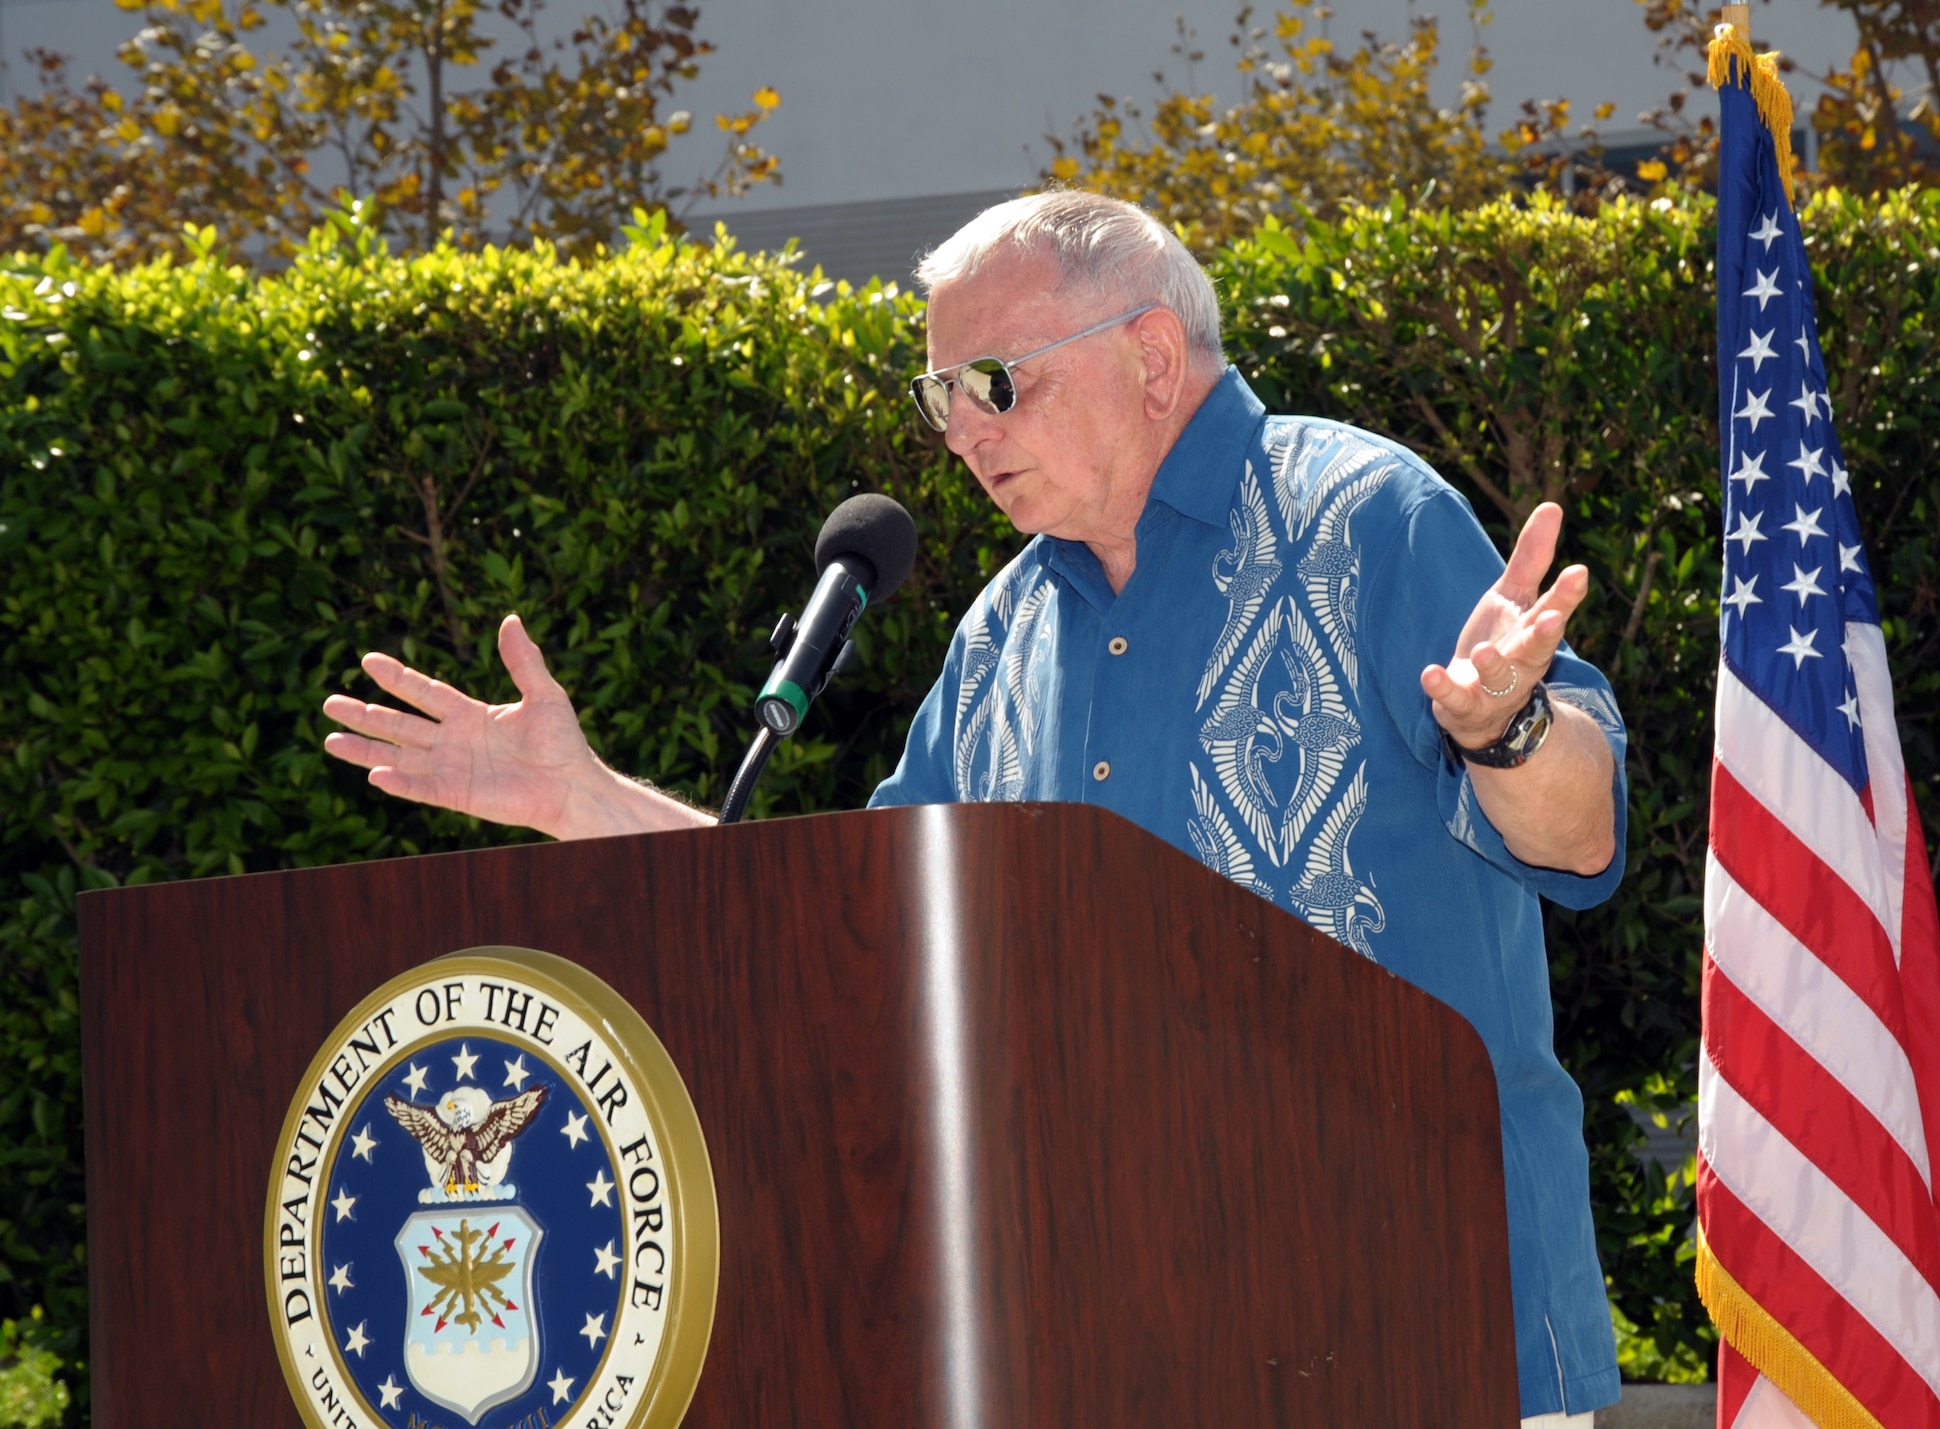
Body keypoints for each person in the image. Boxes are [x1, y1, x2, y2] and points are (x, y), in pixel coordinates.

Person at [324, 191, 1627, 1427]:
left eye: (994, 381)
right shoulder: (1003, 635)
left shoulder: (1367, 517)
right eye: (938, 393)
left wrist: (1503, 725)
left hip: (1422, 1335)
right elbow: (845, 933)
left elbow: (1581, 835)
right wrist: (584, 799)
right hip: (1117, 1352)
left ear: (1154, 355)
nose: (960, 431)